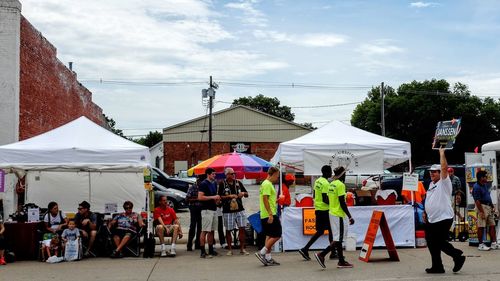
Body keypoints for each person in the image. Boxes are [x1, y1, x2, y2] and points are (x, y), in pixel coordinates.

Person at [423, 147, 465, 274]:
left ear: (439, 173)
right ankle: (437, 266)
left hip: (443, 218)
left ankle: (457, 256)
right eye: (431, 172)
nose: (432, 174)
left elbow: (444, 168)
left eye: (434, 172)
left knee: (439, 241)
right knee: (431, 242)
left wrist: (442, 153)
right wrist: (426, 212)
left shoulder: (444, 182)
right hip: (432, 218)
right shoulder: (431, 184)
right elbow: (430, 199)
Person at [314, 166, 355, 269]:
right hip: (339, 214)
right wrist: (350, 216)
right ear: (342, 175)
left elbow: (328, 198)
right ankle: (322, 254)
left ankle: (341, 261)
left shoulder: (331, 184)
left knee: (338, 238)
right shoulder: (340, 185)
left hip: (331, 213)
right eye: (345, 174)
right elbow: (342, 202)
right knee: (338, 238)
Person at [299, 165, 335, 260]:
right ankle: (333, 252)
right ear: (326, 172)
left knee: (320, 231)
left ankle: (305, 249)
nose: (331, 174)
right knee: (331, 230)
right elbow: (325, 199)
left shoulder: (317, 181)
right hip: (324, 210)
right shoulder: (326, 183)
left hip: (318, 209)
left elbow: (315, 195)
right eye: (330, 172)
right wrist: (334, 203)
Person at [218, 167, 249, 256]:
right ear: (227, 175)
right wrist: (229, 196)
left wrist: (243, 193)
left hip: (240, 209)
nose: (233, 175)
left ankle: (242, 249)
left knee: (242, 228)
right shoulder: (222, 184)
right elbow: (219, 197)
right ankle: (230, 249)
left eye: (234, 173)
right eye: (232, 174)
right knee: (228, 230)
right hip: (228, 211)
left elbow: (247, 194)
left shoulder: (238, 183)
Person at [255, 166, 282, 266]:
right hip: (269, 214)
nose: (277, 178)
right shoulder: (267, 184)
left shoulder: (266, 184)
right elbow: (265, 199)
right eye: (277, 176)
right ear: (273, 174)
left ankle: (268, 257)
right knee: (277, 234)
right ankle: (262, 253)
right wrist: (270, 214)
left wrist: (276, 200)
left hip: (267, 213)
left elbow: (268, 199)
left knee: (270, 235)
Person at [198, 168, 221, 258]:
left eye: (215, 174)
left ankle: (211, 249)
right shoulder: (203, 184)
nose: (214, 176)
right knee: (204, 230)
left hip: (213, 209)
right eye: (213, 174)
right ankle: (203, 251)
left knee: (212, 231)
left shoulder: (214, 183)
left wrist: (217, 201)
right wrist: (213, 197)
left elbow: (214, 196)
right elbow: (200, 197)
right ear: (208, 174)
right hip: (206, 210)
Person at [472, 170, 498, 251]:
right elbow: (477, 201)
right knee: (481, 226)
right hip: (482, 207)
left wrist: (492, 205)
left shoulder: (484, 185)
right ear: (481, 178)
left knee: (492, 225)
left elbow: (487, 195)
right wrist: (481, 212)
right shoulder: (476, 187)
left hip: (488, 207)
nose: (487, 178)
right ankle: (481, 244)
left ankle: (493, 243)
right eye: (485, 176)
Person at [186, 174, 204, 251]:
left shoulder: (203, 187)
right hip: (193, 208)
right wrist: (198, 199)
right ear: (198, 179)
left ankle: (198, 244)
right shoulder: (192, 187)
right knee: (193, 226)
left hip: (202, 208)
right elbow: (187, 199)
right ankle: (189, 244)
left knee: (200, 227)